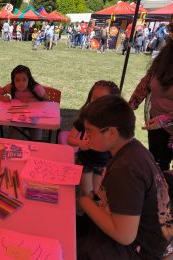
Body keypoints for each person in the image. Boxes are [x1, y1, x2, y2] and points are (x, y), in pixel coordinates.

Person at [77, 95, 173, 259]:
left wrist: (85, 202)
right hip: (143, 238)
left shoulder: (126, 169)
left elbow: (124, 235)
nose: (86, 136)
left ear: (111, 133)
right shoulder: (133, 150)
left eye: (90, 131)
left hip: (141, 250)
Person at [67, 81, 120, 196]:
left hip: (103, 164)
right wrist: (80, 143)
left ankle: (85, 211)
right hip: (86, 161)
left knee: (96, 192)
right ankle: (80, 211)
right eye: (94, 98)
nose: (97, 103)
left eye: (102, 100)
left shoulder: (114, 123)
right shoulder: (86, 118)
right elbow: (70, 139)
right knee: (87, 192)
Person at [129, 41, 173, 171]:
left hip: (167, 126)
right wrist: (128, 108)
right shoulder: (163, 62)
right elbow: (145, 85)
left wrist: (166, 119)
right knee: (157, 163)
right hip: (156, 124)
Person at [0, 65, 51, 141]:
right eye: (17, 80)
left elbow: (49, 102)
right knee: (11, 139)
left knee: (37, 141)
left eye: (24, 80)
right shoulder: (11, 87)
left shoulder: (37, 89)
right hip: (17, 119)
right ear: (13, 80)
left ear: (29, 79)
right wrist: (3, 98)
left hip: (35, 119)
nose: (21, 83)